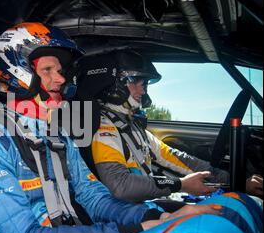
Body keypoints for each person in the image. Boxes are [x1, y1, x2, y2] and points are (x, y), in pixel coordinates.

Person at [0, 23, 262, 233]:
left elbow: (96, 199)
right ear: (19, 74)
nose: (61, 79)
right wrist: (139, 228)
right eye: (48, 71)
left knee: (236, 207)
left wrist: (160, 215)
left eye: (60, 71)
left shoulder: (59, 132)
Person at [81, 50, 263, 204]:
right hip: (127, 211)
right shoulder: (104, 127)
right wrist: (180, 184)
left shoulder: (134, 127)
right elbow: (121, 186)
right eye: (135, 82)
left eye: (144, 84)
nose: (143, 90)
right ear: (116, 85)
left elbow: (180, 159)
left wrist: (236, 182)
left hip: (142, 203)